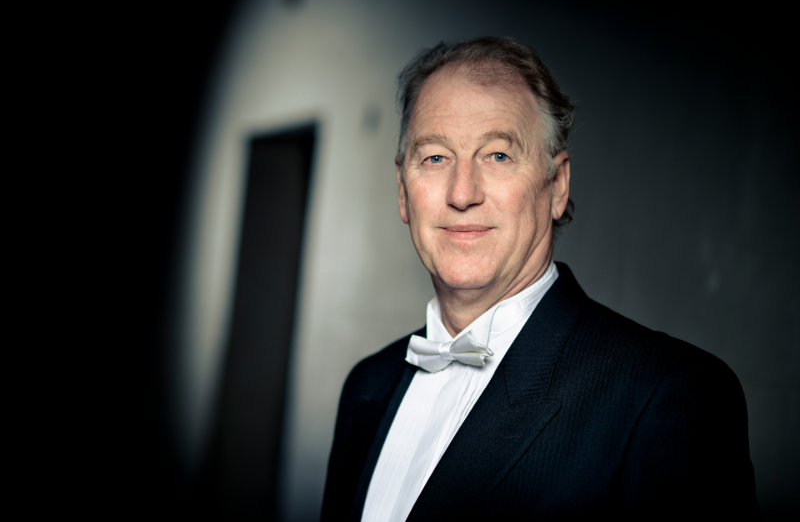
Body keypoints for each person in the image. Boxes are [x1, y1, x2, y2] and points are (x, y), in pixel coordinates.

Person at [321, 37, 759, 521]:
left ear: (556, 186)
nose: (462, 193)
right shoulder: (366, 386)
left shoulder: (667, 395)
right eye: (436, 158)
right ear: (404, 192)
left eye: (498, 156)